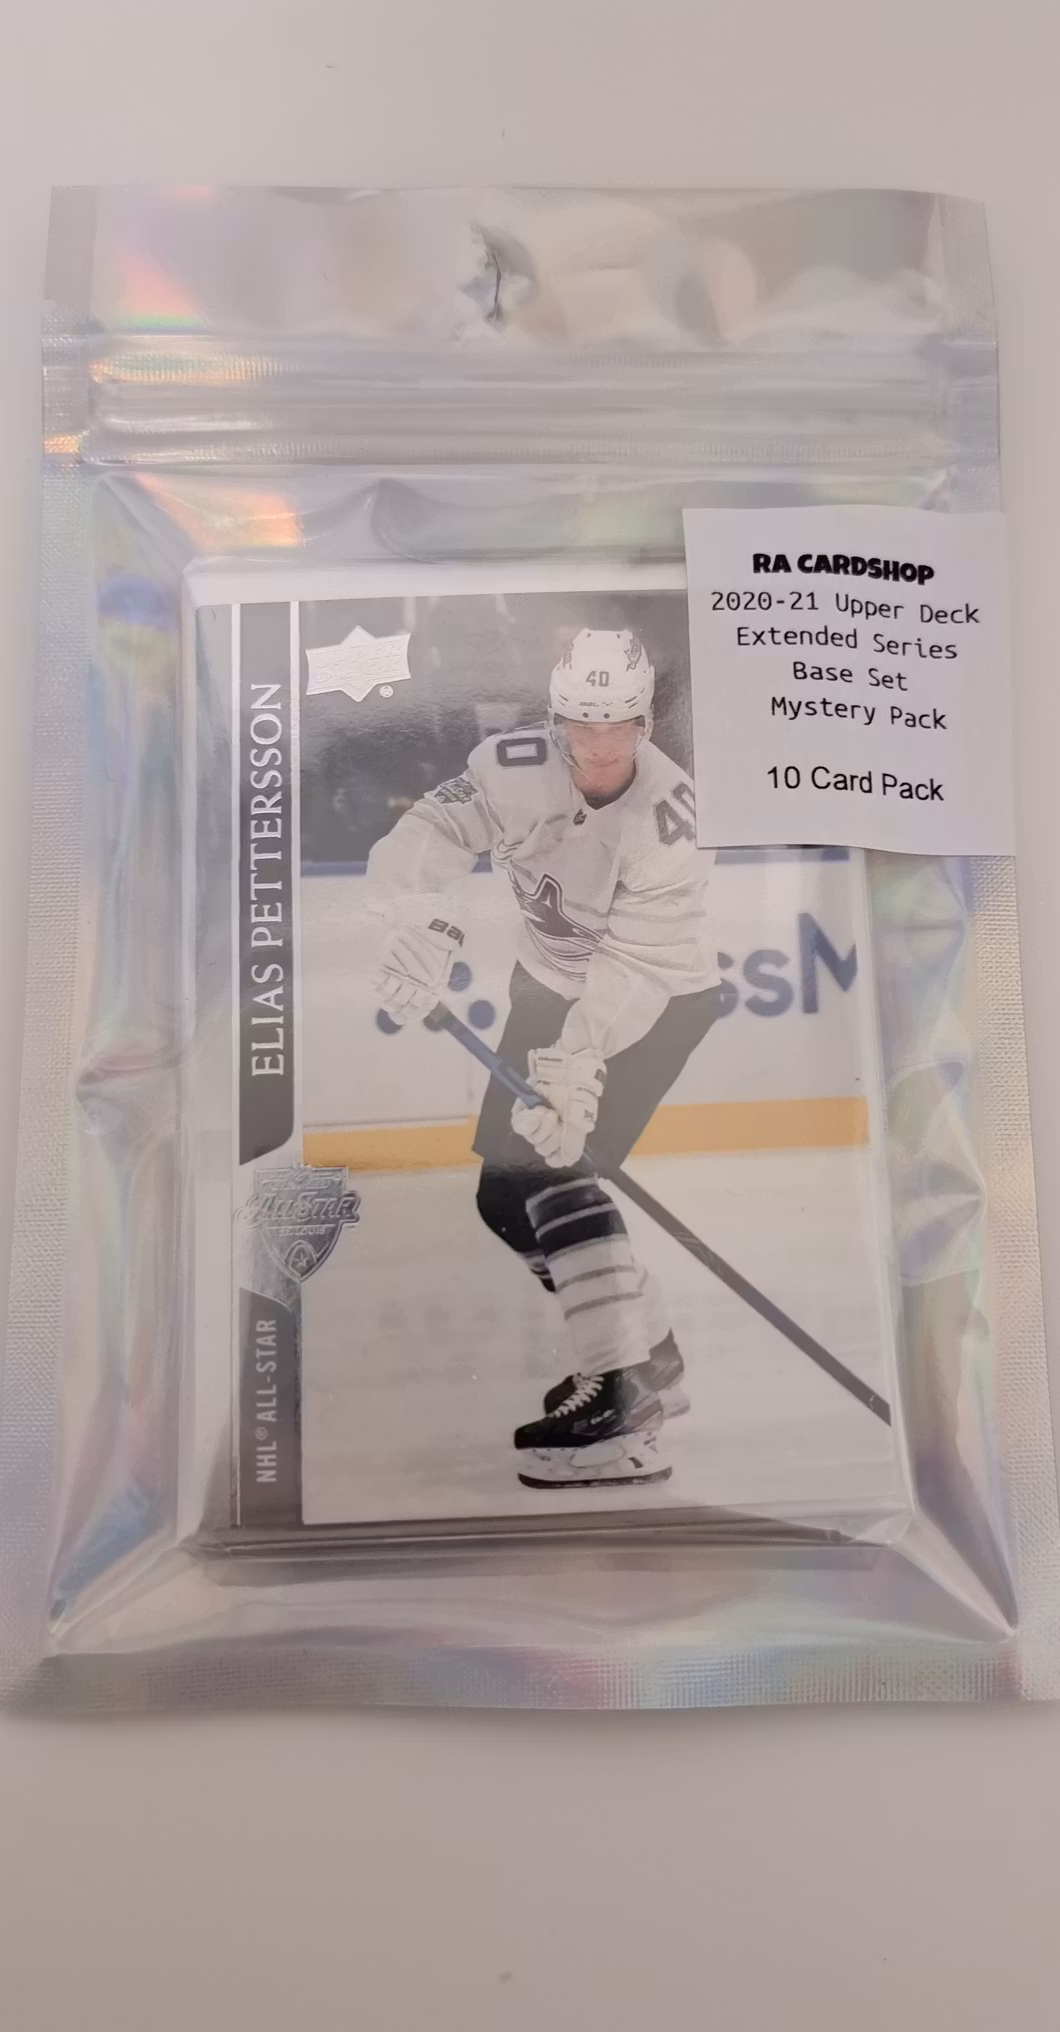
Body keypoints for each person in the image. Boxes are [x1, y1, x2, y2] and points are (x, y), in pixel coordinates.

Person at [365, 628, 721, 1488]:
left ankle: (622, 1399)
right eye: (582, 723)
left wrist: (578, 1064)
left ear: (644, 721)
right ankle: (650, 1357)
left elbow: (636, 971)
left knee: (556, 1172)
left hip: (656, 1004)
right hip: (547, 986)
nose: (599, 745)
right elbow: (427, 834)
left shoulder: (674, 819)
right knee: (503, 1197)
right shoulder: (510, 765)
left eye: (618, 723)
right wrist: (420, 923)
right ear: (557, 718)